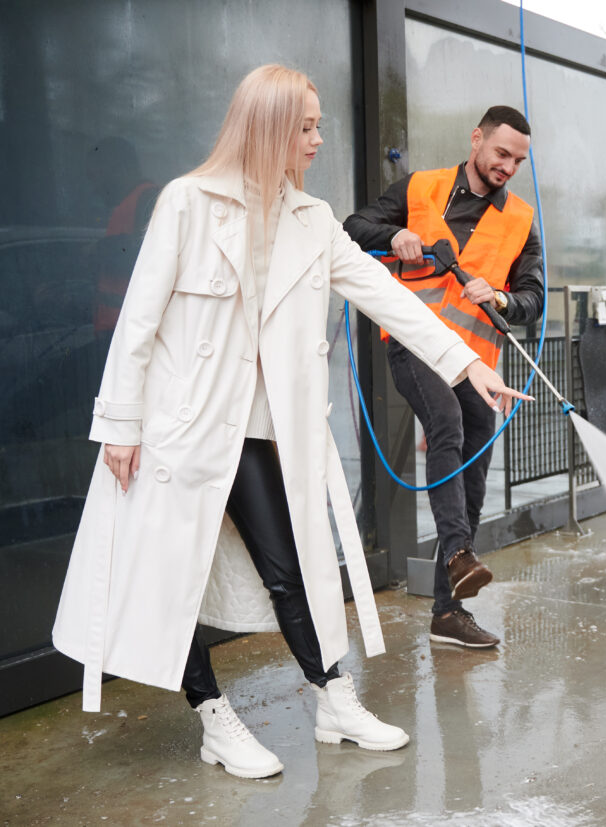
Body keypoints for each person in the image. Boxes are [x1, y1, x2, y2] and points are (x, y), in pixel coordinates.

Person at [51, 65, 528, 780]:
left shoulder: (311, 220)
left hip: (256, 432)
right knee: (164, 576)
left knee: (291, 570)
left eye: (317, 124)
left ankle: (333, 699)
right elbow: (139, 320)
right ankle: (213, 714)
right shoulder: (187, 203)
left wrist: (469, 366)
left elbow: (385, 297)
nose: (318, 137)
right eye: (306, 125)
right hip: (176, 431)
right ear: (269, 126)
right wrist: (119, 422)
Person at [343, 106, 543, 649]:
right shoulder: (422, 188)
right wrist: (399, 233)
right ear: (476, 140)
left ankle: (447, 612)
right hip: (415, 345)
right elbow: (353, 227)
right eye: (501, 153)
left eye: (519, 160)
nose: (508, 166)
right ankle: (457, 554)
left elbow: (533, 298)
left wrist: (500, 296)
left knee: (474, 459)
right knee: (448, 424)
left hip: (474, 363)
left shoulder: (520, 220)